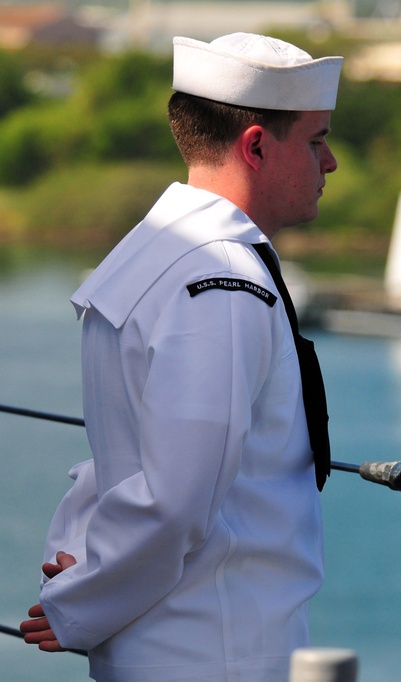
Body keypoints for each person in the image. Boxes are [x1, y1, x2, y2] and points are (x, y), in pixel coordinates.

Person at [19, 32, 342, 681]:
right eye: (315, 140)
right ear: (255, 145)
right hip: (218, 648)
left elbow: (121, 452)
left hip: (171, 640)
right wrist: (79, 604)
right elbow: (176, 498)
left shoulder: (154, 250)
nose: (329, 162)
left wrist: (83, 558)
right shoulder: (224, 283)